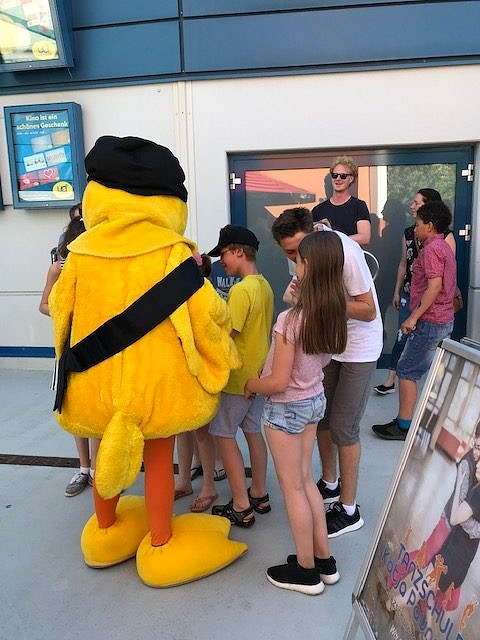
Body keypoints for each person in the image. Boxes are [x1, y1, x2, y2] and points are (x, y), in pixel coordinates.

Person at [245, 231, 346, 595]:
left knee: (292, 488)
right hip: (314, 401)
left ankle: (305, 571)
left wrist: (251, 385)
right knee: (306, 482)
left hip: (287, 409)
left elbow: (278, 382)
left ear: (309, 268)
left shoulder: (290, 322)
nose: (294, 265)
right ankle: (325, 561)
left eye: (298, 261)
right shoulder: (331, 314)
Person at [271, 207, 383, 537]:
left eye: (296, 252)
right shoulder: (303, 253)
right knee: (322, 418)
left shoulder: (345, 252)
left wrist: (323, 300)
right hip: (328, 343)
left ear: (313, 236)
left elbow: (368, 309)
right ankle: (330, 483)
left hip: (359, 347)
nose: (294, 259)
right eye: (288, 253)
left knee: (345, 428)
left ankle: (349, 510)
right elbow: (294, 296)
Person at [372, 200, 457, 440]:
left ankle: (404, 425)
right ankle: (412, 421)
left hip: (431, 321)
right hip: (440, 319)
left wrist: (413, 317)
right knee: (418, 370)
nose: (415, 227)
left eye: (418, 223)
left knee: (406, 370)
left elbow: (434, 287)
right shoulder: (442, 247)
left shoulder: (431, 250)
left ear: (429, 225)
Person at [208, 224, 274, 527]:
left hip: (237, 379)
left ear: (239, 251)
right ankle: (259, 493)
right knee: (252, 431)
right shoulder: (264, 285)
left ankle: (240, 504)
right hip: (258, 375)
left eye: (224, 254)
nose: (222, 261)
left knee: (222, 434)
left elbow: (228, 335)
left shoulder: (240, 290)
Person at [39, 216, 100, 497]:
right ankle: (84, 468)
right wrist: (67, 313)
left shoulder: (97, 267)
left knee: (97, 408)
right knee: (74, 407)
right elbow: (43, 305)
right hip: (68, 347)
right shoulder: (58, 269)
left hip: (97, 346)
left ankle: (99, 469)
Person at [312, 156, 371, 246]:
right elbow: (310, 238)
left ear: (351, 179)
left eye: (343, 176)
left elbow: (365, 238)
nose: (338, 179)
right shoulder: (318, 210)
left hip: (350, 258)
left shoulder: (359, 206)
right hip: (325, 258)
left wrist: (336, 239)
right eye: (335, 175)